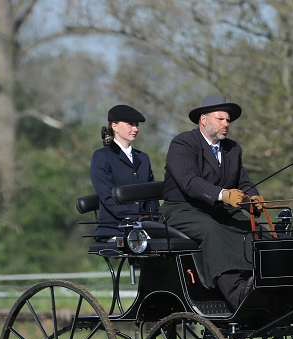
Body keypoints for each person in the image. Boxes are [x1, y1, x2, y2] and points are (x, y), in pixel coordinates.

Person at [160, 94, 266, 309]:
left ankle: (268, 282)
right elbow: (189, 181)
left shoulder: (233, 149)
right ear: (204, 119)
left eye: (228, 120)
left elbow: (243, 181)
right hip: (181, 209)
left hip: (216, 209)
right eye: (221, 119)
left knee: (257, 230)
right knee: (213, 231)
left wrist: (253, 199)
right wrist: (224, 195)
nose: (226, 124)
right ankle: (237, 293)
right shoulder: (183, 143)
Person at [90, 104, 157, 240]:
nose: (135, 129)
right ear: (114, 126)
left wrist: (154, 219)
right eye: (130, 124)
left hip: (145, 227)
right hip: (115, 227)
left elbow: (152, 195)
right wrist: (133, 218)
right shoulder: (102, 156)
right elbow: (107, 196)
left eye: (136, 125)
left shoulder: (143, 158)